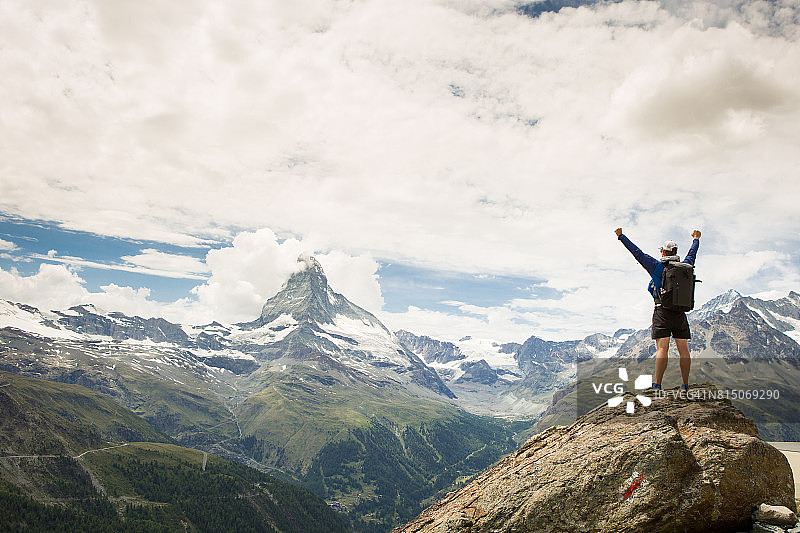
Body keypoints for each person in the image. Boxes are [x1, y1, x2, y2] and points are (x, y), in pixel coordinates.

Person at [614, 227, 701, 390]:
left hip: (662, 312)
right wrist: (696, 239)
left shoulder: (657, 266)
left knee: (662, 348)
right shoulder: (686, 265)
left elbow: (637, 253)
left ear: (663, 252)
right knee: (684, 350)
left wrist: (621, 236)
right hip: (680, 312)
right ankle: (685, 385)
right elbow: (692, 253)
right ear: (675, 252)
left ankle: (657, 384)